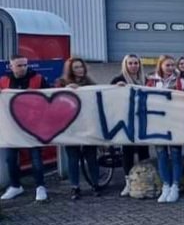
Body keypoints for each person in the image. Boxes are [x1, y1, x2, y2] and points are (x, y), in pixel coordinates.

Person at [0, 55, 50, 202]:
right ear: (11, 67)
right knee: (10, 159)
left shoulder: (38, 79)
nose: (23, 68)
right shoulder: (3, 81)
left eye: (25, 65)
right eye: (19, 65)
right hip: (12, 126)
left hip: (33, 126)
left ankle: (40, 187)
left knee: (36, 158)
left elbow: (49, 97)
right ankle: (15, 186)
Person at [56, 57, 102, 200]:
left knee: (91, 156)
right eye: (76, 67)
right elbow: (55, 99)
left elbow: (101, 95)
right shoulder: (61, 83)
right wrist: (65, 90)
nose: (80, 70)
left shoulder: (90, 82)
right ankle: (75, 187)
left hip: (88, 124)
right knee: (73, 158)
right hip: (70, 126)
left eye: (81, 67)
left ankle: (95, 184)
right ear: (70, 70)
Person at [146, 55, 184, 203]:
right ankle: (166, 185)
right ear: (161, 66)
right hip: (157, 123)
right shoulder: (151, 82)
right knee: (161, 154)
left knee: (176, 154)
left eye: (172, 65)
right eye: (168, 65)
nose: (171, 68)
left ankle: (175, 186)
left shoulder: (180, 81)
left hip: (175, 123)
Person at [109, 54, 151, 196]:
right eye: (130, 63)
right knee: (127, 151)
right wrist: (116, 89)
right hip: (126, 121)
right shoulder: (118, 80)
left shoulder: (145, 80)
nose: (133, 66)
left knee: (143, 151)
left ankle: (144, 179)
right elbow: (109, 98)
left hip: (143, 121)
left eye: (136, 63)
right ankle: (128, 182)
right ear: (125, 65)